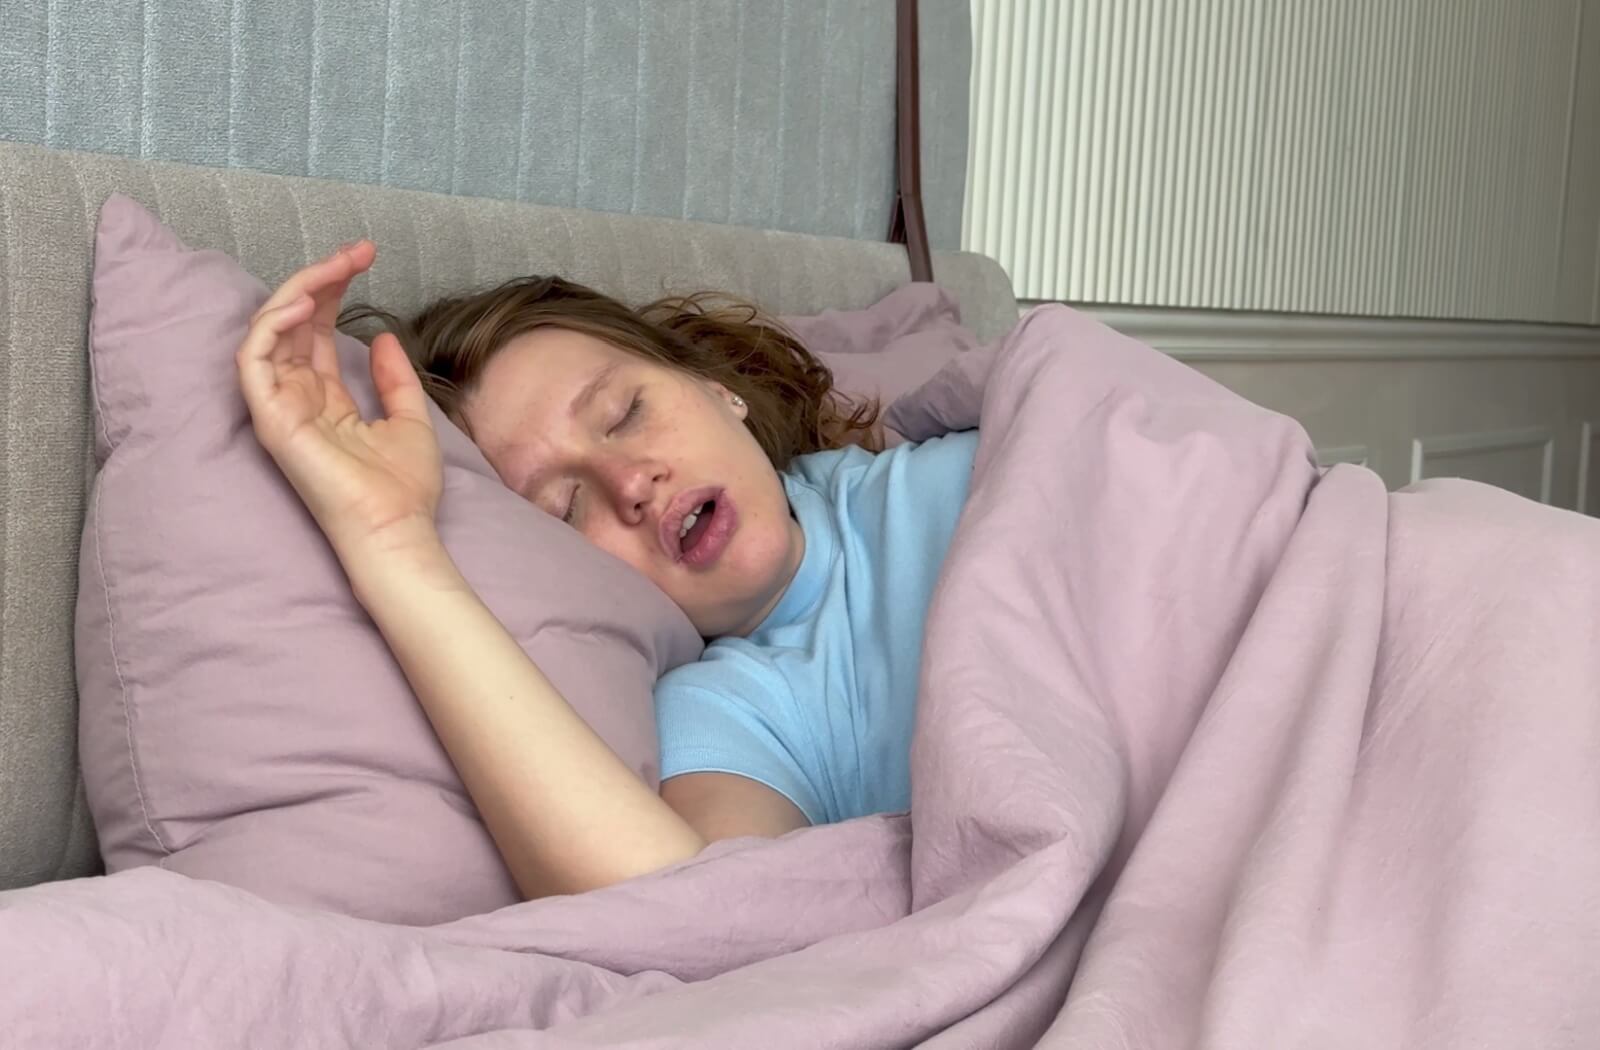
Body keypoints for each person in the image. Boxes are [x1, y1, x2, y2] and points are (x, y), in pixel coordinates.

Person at [236, 241, 977, 899]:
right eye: (564, 507)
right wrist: (392, 544)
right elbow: (696, 914)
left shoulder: (976, 442)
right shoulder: (731, 709)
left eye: (624, 412)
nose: (631, 482)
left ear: (718, 391)